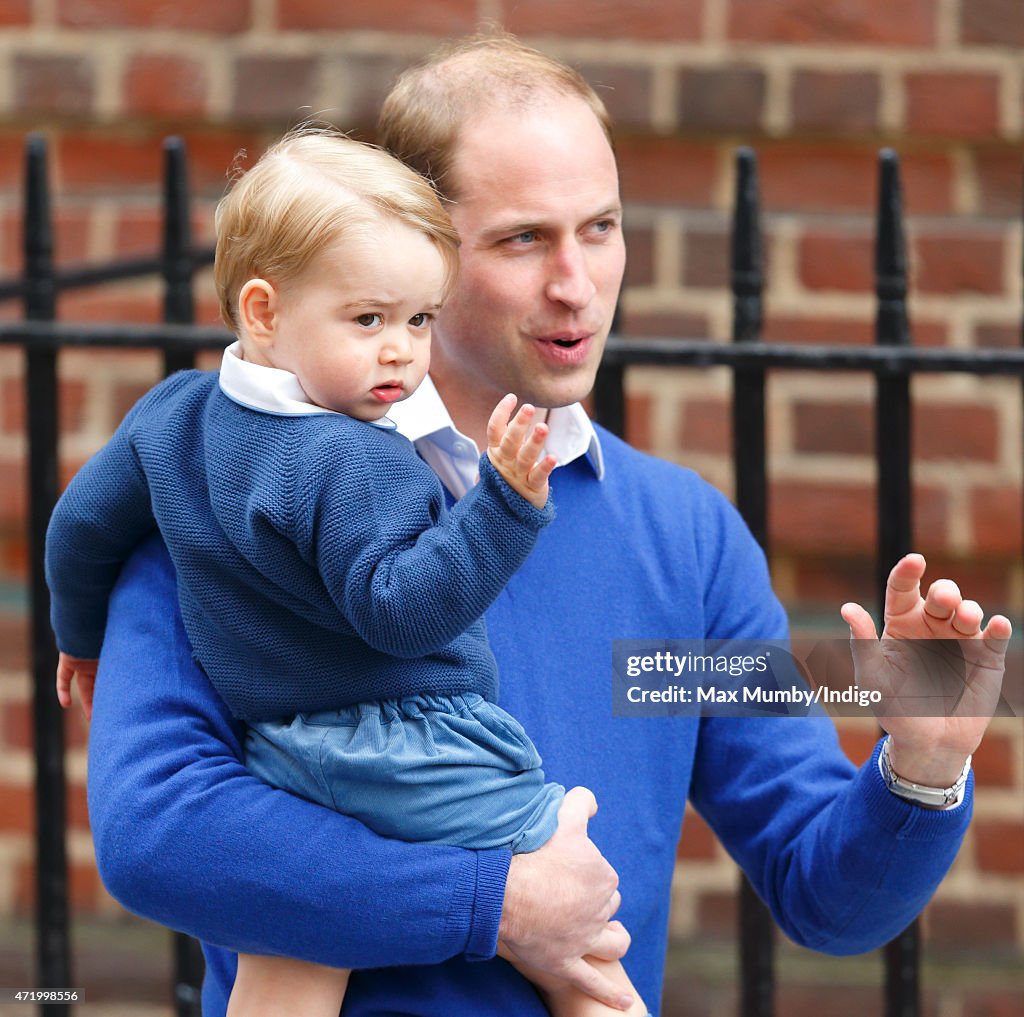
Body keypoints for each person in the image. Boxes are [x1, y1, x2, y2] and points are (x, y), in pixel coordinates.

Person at [81, 33, 1011, 1017]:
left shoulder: (680, 544)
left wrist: (918, 768)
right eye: (525, 239)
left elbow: (819, 890)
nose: (576, 282)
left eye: (599, 228)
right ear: (422, 250)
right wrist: (497, 906)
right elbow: (159, 835)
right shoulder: (232, 493)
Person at [46, 128, 650, 1017]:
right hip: (414, 746)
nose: (402, 351)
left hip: (281, 755)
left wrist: (77, 636)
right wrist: (507, 506)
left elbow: (78, 526)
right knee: (583, 918)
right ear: (262, 309)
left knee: (287, 974)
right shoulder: (359, 459)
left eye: (418, 320)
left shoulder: (171, 417)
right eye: (369, 320)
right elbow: (401, 611)